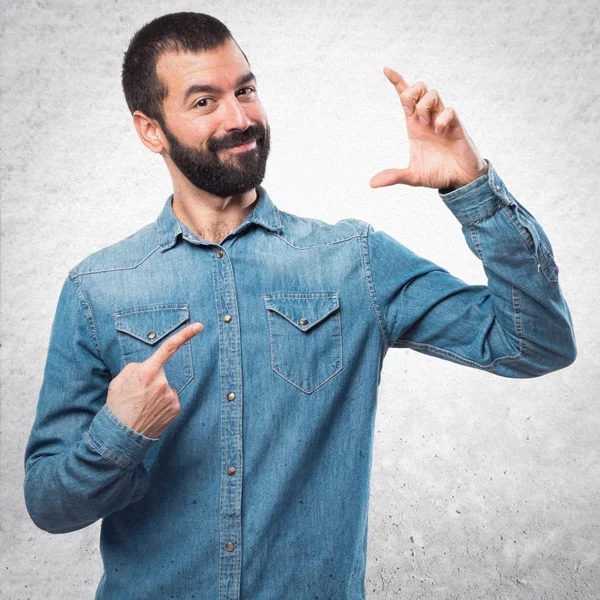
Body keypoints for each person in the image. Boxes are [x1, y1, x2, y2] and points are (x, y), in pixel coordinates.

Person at [23, 11, 577, 600]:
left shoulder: (352, 260)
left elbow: (536, 344)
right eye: (205, 102)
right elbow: (49, 505)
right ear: (151, 129)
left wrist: (471, 190)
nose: (240, 118)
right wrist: (120, 432)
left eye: (246, 90)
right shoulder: (99, 288)